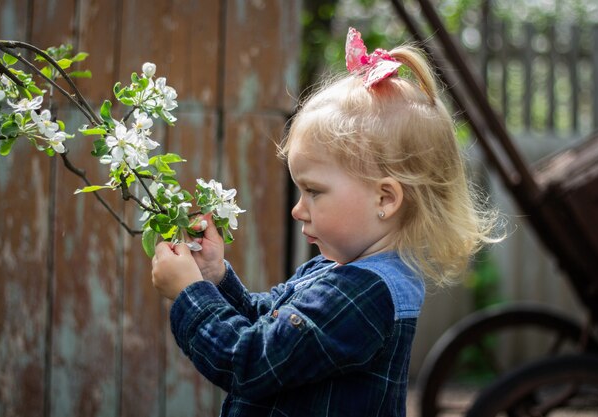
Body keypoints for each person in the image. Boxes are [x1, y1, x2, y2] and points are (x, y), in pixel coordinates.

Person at [151, 27, 499, 417]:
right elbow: (269, 327)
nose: (298, 209)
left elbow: (249, 362)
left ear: (385, 198)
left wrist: (190, 296)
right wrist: (216, 279)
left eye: (313, 191)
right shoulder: (339, 270)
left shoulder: (364, 297)